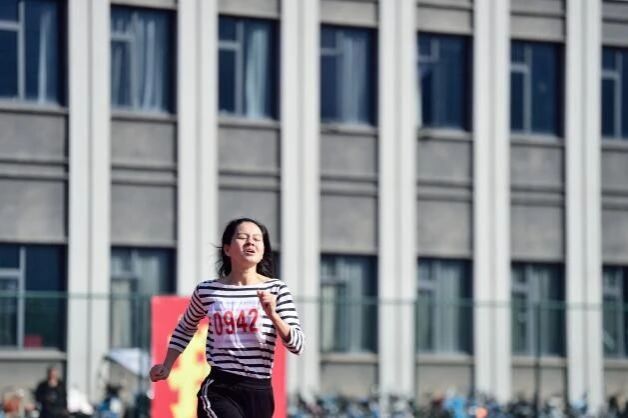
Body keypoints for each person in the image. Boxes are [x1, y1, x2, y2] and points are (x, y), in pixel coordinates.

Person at [150, 218, 305, 418]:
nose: (250, 242)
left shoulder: (277, 290)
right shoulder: (208, 290)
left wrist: (273, 315)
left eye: (257, 239)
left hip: (260, 391)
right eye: (242, 237)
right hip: (220, 387)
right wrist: (167, 365)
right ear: (227, 249)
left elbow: (297, 345)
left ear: (263, 250)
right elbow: (185, 327)